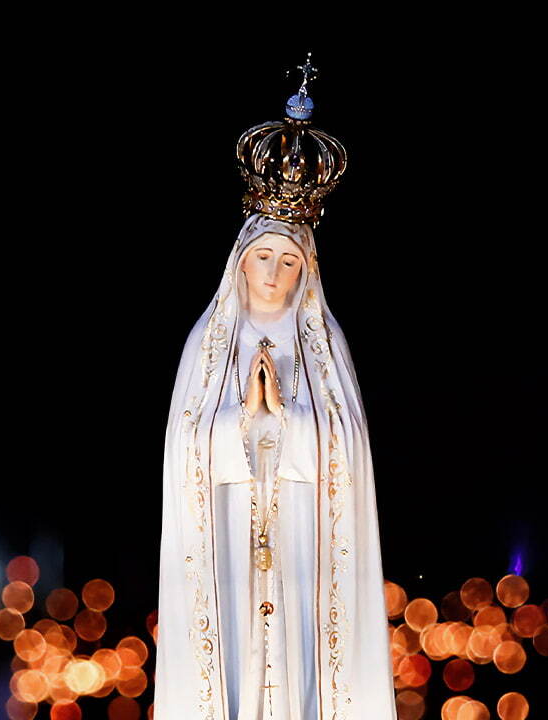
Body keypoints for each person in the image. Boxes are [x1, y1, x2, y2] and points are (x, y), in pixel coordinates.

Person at [155, 212, 398, 720]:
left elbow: (348, 445)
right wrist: (241, 416)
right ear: (239, 263)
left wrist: (288, 417)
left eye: (288, 261)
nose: (273, 272)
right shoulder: (209, 343)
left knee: (306, 650)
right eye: (263, 257)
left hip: (301, 531)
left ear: (305, 271)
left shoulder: (324, 344)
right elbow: (184, 447)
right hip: (229, 528)